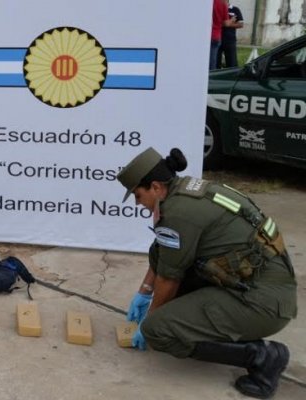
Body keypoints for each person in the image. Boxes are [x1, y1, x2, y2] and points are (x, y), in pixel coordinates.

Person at [116, 147, 297, 399]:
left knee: (160, 330)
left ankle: (263, 356)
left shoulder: (178, 213)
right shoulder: (184, 192)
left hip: (263, 303)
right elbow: (164, 252)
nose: (138, 204)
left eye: (138, 195)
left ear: (156, 187)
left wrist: (150, 320)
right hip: (259, 283)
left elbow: (169, 278)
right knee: (170, 302)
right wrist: (144, 292)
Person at [217, 1, 244, 68]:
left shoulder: (235, 9)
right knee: (216, 62)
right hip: (218, 38)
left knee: (232, 62)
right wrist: (230, 21)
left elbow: (241, 24)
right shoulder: (217, 8)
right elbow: (217, 23)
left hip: (230, 39)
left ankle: (232, 76)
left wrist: (227, 24)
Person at [211, 0, 231, 69]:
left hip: (202, 35)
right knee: (212, 62)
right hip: (215, 35)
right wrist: (232, 20)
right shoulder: (222, 3)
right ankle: (211, 78)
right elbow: (226, 23)